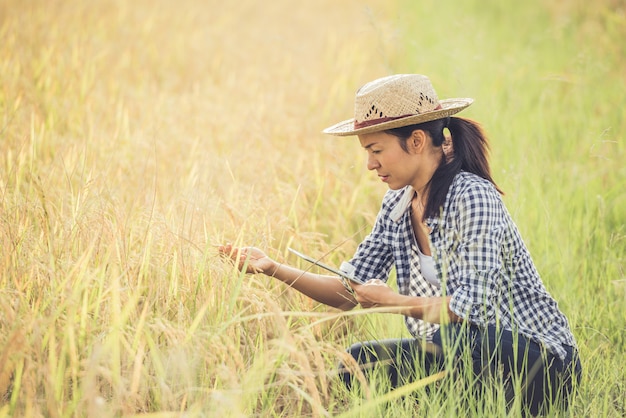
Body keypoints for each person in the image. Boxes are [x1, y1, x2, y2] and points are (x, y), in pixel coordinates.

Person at [219, 74, 581, 415]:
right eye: (366, 151)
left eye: (376, 149)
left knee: (456, 338)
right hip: (461, 355)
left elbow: (474, 310)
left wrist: (393, 302)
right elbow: (350, 291)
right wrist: (271, 268)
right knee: (357, 363)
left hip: (541, 364)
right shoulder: (397, 204)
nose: (369, 164)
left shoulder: (472, 197)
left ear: (417, 141)